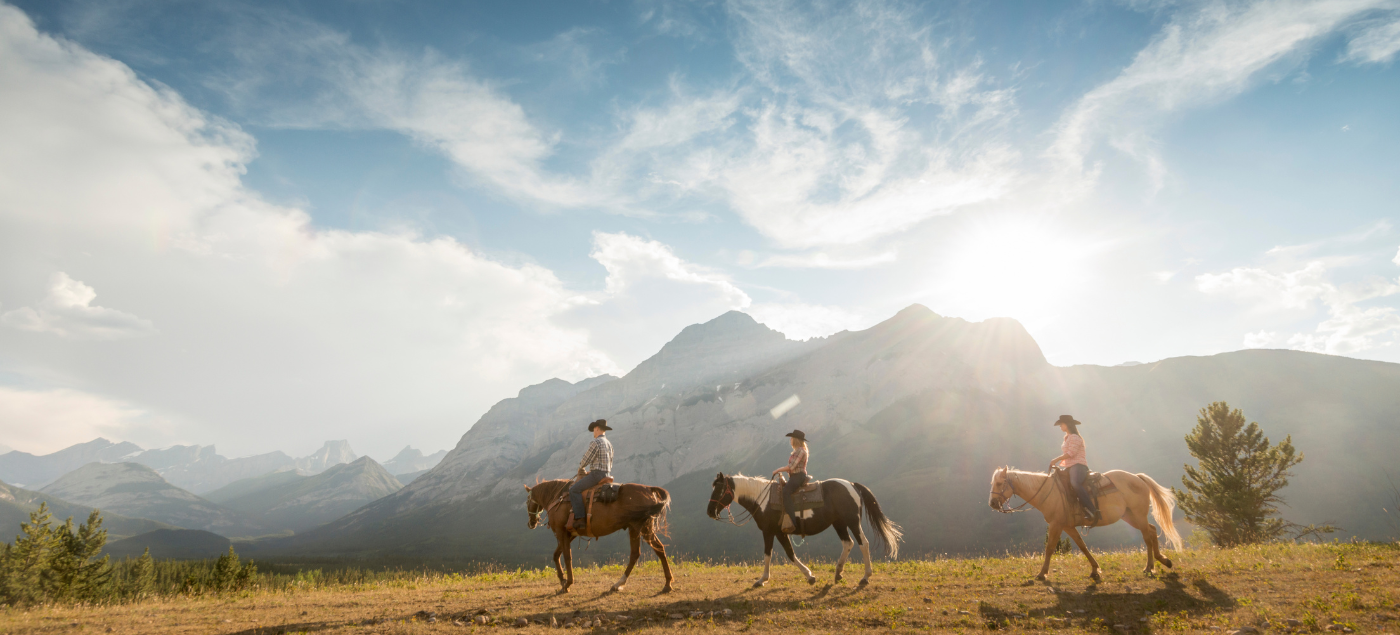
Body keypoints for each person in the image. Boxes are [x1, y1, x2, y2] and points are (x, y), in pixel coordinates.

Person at [1048, 414, 1100, 524]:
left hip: (1078, 465)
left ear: (1067, 424)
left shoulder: (1075, 438)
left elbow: (1071, 453)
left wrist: (1056, 459)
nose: (1060, 426)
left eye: (1061, 424)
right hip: (1070, 466)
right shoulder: (1067, 438)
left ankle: (1092, 510)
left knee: (1075, 483)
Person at [569, 419, 613, 532]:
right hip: (607, 474)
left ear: (597, 428)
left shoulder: (596, 442)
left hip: (597, 475)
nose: (593, 431)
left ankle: (580, 518)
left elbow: (586, 459)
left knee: (574, 490)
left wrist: (581, 468)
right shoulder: (609, 443)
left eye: (594, 429)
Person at [772, 429, 809, 534]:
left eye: (792, 438)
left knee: (786, 492)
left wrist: (778, 470)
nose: (790, 440)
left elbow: (791, 466)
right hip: (795, 476)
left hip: (798, 476)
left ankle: (793, 521)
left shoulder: (800, 451)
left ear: (796, 439)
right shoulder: (798, 451)